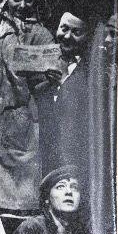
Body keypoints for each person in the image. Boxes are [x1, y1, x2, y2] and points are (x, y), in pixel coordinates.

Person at [0, 0, 54, 225]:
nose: (22, 5)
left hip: (22, 129)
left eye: (28, 0)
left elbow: (45, 86)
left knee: (19, 202)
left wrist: (46, 77)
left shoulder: (41, 34)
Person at [37, 11, 92, 177]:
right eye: (64, 28)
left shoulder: (91, 70)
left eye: (76, 32)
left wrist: (64, 82)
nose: (67, 36)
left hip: (73, 162)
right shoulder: (41, 61)